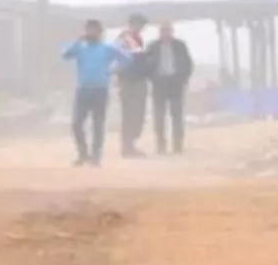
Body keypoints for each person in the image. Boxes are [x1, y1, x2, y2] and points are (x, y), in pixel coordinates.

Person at [62, 19, 130, 167]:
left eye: (93, 30)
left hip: (100, 89)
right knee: (76, 123)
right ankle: (83, 153)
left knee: (98, 124)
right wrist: (78, 40)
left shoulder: (107, 48)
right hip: (83, 89)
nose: (90, 33)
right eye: (88, 30)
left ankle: (96, 156)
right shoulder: (80, 48)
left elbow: (126, 58)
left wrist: (114, 71)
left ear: (99, 33)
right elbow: (65, 55)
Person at [145, 21, 194, 155]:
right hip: (159, 83)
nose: (166, 33)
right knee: (159, 116)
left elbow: (188, 64)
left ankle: (177, 145)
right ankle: (161, 145)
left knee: (177, 115)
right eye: (163, 30)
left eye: (168, 30)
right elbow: (146, 65)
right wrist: (153, 78)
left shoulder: (180, 46)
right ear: (159, 32)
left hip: (175, 83)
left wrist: (183, 78)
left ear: (172, 31)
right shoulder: (152, 47)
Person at [115, 13, 152, 158]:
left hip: (137, 80)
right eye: (138, 24)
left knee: (138, 115)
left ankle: (130, 144)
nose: (140, 27)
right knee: (130, 115)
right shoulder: (125, 38)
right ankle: (127, 147)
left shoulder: (137, 39)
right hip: (129, 81)